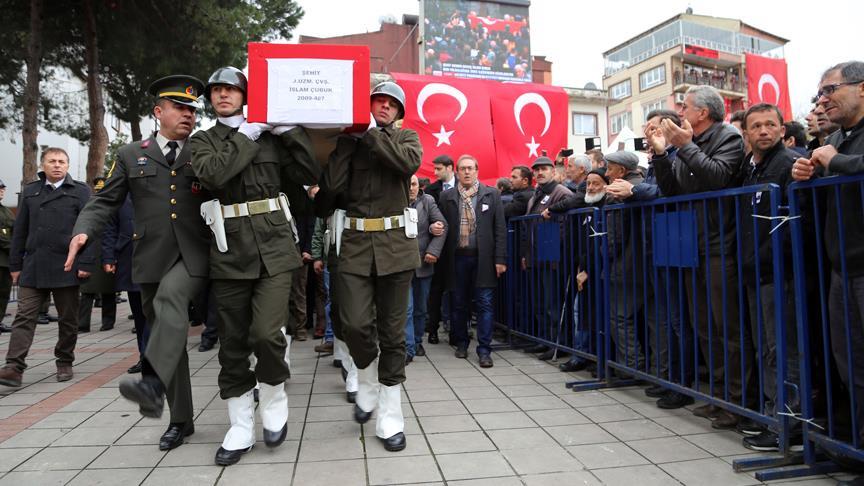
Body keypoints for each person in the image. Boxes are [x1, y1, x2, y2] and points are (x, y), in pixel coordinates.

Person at [67, 75, 210, 452]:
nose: (188, 115)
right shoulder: (132, 154)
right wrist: (83, 231)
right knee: (168, 332)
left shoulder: (204, 149)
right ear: (158, 112)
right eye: (180, 107)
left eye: (193, 109)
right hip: (150, 258)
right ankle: (181, 419)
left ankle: (152, 384)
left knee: (170, 302)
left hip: (194, 254)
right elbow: (105, 201)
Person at [189, 66, 319, 465]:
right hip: (229, 250)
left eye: (231, 89)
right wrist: (247, 135)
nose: (223, 95)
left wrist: (288, 132)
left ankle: (274, 395)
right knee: (233, 343)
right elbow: (214, 174)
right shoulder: (203, 140)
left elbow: (309, 172)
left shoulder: (271, 138)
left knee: (267, 334)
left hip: (275, 247)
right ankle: (241, 425)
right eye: (216, 90)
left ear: (246, 95)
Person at [320, 81, 422, 452]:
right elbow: (331, 190)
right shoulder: (350, 142)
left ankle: (390, 415)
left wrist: (371, 135)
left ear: (399, 112)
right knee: (354, 324)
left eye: (391, 103)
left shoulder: (406, 138)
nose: (384, 106)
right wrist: (347, 144)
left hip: (395, 246)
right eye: (377, 101)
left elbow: (406, 163)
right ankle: (365, 378)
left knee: (393, 335)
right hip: (355, 245)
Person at [652, 84, 750, 429]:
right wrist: (661, 155)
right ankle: (718, 396)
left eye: (686, 107)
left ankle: (739, 402)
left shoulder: (728, 137)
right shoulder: (687, 143)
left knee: (729, 328)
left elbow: (718, 177)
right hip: (693, 245)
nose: (680, 113)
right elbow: (671, 190)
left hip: (721, 245)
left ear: (703, 113)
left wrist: (684, 146)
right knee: (705, 326)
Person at [792, 61, 864, 457]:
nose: (823, 100)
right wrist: (807, 174)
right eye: (820, 93)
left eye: (830, 90)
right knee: (850, 363)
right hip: (841, 266)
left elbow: (849, 166)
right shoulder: (836, 138)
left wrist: (833, 161)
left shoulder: (836, 146)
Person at [0, 148, 94, 388]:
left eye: (62, 161)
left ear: (67, 166)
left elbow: (90, 228)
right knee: (24, 316)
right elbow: (20, 230)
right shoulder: (31, 191)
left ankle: (64, 361)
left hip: (66, 265)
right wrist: (15, 264)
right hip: (34, 265)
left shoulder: (80, 191)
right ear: (43, 165)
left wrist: (85, 262)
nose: (57, 165)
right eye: (52, 161)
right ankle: (13, 366)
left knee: (68, 319)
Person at [738, 103, 801, 451]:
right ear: (746, 133)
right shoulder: (751, 168)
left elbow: (794, 223)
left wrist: (767, 258)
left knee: (783, 349)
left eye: (770, 124)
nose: (764, 131)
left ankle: (787, 423)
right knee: (767, 348)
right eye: (756, 126)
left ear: (781, 129)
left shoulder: (788, 164)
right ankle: (772, 416)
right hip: (757, 271)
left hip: (780, 272)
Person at [439, 154, 507, 367]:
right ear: (457, 172)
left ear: (477, 171)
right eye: (463, 168)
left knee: (485, 303)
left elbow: (500, 229)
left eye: (470, 168)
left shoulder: (492, 194)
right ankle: (461, 343)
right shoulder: (447, 197)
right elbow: (442, 227)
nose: (467, 172)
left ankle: (484, 350)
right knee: (459, 303)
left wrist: (500, 259)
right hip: (457, 258)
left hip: (484, 259)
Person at [521, 156, 574, 360]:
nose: (540, 172)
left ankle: (558, 343)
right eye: (536, 170)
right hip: (535, 257)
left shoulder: (561, 192)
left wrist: (551, 252)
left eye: (544, 169)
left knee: (553, 304)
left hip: (551, 258)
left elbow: (565, 228)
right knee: (540, 303)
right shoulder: (536, 195)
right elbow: (528, 227)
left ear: (553, 171)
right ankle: (544, 340)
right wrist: (526, 255)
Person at [102, 195, 148, 374]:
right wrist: (108, 257)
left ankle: (154, 356)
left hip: (157, 259)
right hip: (129, 258)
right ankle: (144, 356)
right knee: (139, 314)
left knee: (156, 312)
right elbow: (110, 227)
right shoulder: (122, 195)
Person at [405, 175, 446, 363]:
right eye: (407, 184)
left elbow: (442, 226)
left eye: (413, 184)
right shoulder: (392, 201)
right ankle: (408, 347)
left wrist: (433, 251)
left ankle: (416, 341)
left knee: (421, 309)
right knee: (406, 308)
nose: (410, 188)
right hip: (401, 264)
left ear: (419, 186)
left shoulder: (427, 201)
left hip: (423, 263)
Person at [78, 177, 117, 333]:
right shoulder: (88, 205)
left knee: (108, 290)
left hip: (107, 251)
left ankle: (107, 322)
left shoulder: (113, 205)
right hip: (90, 250)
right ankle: (83, 324)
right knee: (87, 291)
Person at [425, 155, 456, 344]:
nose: (435, 172)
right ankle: (433, 329)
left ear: (450, 167)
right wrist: (431, 228)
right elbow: (427, 217)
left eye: (439, 168)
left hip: (459, 247)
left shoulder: (463, 187)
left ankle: (457, 330)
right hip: (438, 249)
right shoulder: (431, 190)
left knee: (457, 291)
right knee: (435, 291)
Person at [0, 179, 13, 333]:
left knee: (3, 292)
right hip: (5, 254)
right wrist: (14, 248)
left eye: (3, 188)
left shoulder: (6, 210)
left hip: (6, 260)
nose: (2, 191)